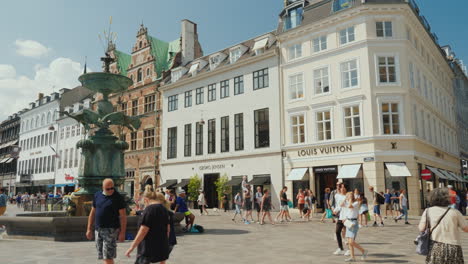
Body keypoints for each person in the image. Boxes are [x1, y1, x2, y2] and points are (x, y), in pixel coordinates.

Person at [419, 188, 468, 264]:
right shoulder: (455, 212)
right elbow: (465, 229)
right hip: (454, 247)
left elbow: (421, 228)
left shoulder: (428, 211)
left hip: (435, 246)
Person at [125, 186, 170, 264]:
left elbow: (143, 230)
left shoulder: (149, 209)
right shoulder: (163, 209)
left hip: (147, 249)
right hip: (160, 246)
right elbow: (168, 230)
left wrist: (132, 247)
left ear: (146, 200)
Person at [86, 179, 127, 264]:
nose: (111, 190)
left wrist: (122, 233)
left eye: (112, 188)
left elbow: (123, 217)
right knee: (103, 255)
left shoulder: (118, 197)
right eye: (108, 189)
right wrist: (89, 229)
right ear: (103, 188)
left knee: (108, 256)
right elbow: (92, 213)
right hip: (98, 229)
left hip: (111, 230)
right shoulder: (97, 195)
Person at [342, 192, 368, 262]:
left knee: (351, 242)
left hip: (353, 222)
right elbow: (341, 205)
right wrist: (345, 199)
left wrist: (350, 198)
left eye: (348, 196)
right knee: (349, 242)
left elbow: (350, 206)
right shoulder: (348, 202)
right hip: (348, 222)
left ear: (352, 197)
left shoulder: (356, 203)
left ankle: (363, 251)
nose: (347, 197)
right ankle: (352, 257)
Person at [332, 183, 348, 256]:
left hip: (348, 217)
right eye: (341, 187)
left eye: (343, 187)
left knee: (349, 234)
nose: (342, 189)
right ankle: (340, 248)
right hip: (341, 216)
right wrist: (335, 210)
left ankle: (349, 250)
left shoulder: (348, 196)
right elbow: (339, 205)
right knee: (337, 231)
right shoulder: (337, 196)